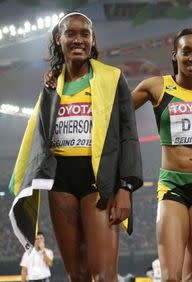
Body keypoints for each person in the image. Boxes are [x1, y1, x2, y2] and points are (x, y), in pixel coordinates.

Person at [10, 12, 143, 282]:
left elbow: (128, 134)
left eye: (85, 34)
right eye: (71, 33)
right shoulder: (51, 85)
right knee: (77, 274)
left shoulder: (112, 78)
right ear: (58, 39)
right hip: (60, 180)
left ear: (93, 40)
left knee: (104, 275)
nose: (78, 39)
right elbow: (40, 136)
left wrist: (126, 187)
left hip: (99, 179)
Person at [132, 28, 192, 282]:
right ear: (175, 55)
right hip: (172, 185)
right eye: (187, 52)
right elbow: (117, 110)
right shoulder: (157, 86)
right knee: (171, 277)